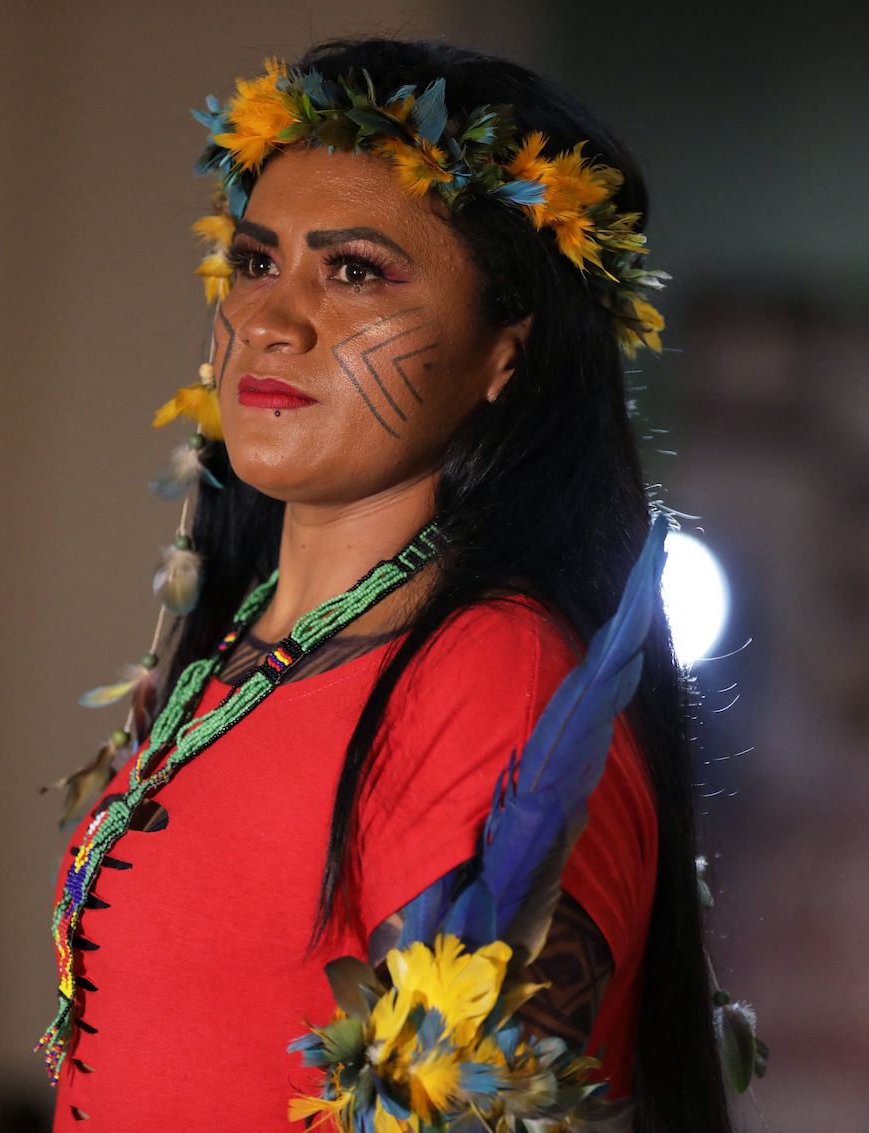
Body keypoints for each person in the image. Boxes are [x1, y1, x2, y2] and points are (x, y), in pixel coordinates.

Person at [40, 37, 735, 1132]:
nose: (271, 316)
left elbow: (487, 1104)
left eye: (355, 270)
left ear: (504, 349)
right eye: (257, 261)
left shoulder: (492, 680)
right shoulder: (233, 660)